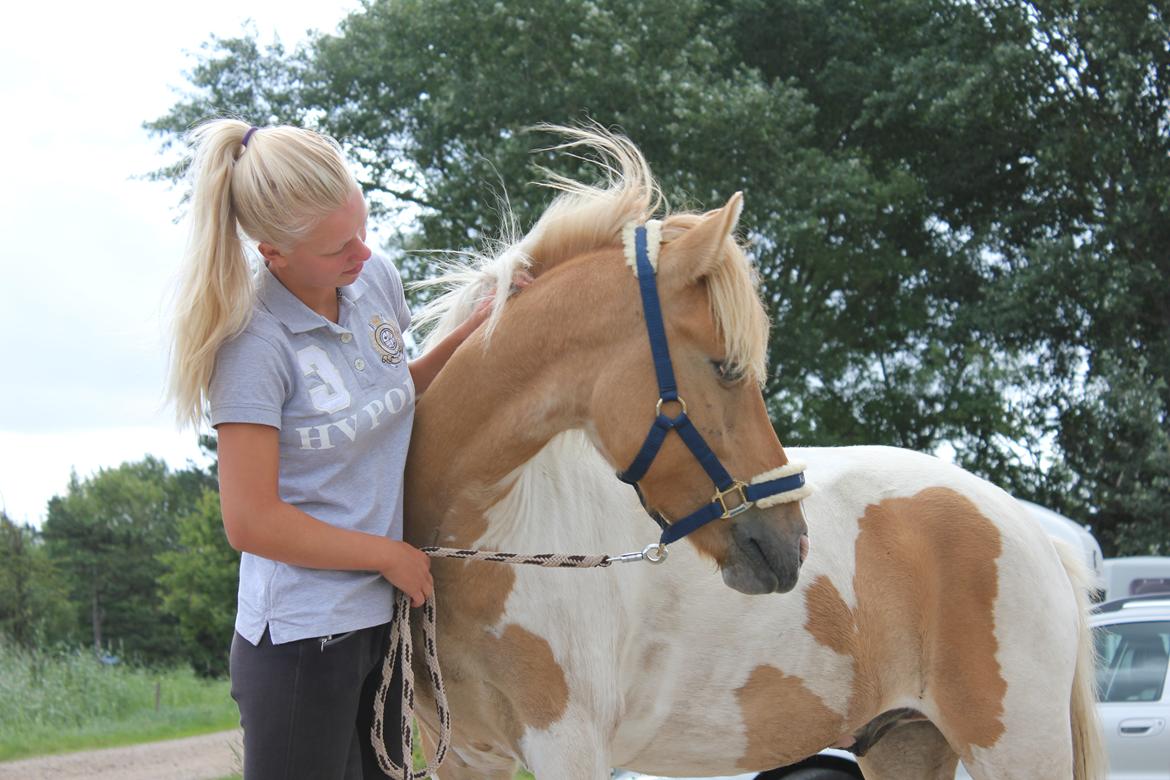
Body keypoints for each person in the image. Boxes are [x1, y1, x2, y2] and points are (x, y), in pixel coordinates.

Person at [165, 119, 495, 778]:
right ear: (274, 254)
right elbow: (249, 521)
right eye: (337, 246)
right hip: (298, 642)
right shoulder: (252, 347)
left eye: (362, 227)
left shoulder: (374, 282)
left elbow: (389, 397)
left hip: (383, 619)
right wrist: (385, 555)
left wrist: (477, 329)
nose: (363, 254)